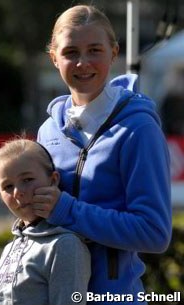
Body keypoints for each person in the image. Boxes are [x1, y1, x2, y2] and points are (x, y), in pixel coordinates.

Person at [34, 4, 172, 304]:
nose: (83, 63)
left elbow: (154, 233)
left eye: (94, 50)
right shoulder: (47, 131)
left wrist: (68, 211)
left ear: (114, 52)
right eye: (71, 52)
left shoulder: (138, 128)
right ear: (54, 58)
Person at [0, 138, 90, 305]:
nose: (18, 192)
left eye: (27, 180)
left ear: (53, 180)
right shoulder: (11, 246)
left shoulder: (65, 245)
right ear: (0, 196)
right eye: (8, 187)